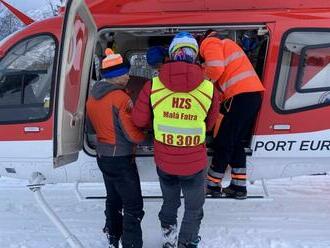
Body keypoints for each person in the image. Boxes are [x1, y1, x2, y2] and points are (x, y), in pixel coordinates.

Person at [132, 32, 219, 248]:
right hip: (194, 162)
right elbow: (209, 124)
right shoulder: (209, 88)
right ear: (195, 55)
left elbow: (139, 119)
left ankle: (168, 239)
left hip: (165, 161)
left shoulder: (153, 85)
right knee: (194, 206)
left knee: (170, 202)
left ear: (172, 54)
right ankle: (187, 243)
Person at [86, 48, 145, 248]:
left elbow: (92, 127)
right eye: (125, 73)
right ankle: (132, 244)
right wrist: (146, 135)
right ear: (116, 76)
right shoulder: (121, 99)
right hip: (121, 157)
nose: (129, 76)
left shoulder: (92, 98)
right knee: (133, 206)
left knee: (113, 199)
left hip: (103, 155)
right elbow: (131, 134)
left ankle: (113, 237)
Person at [199, 30, 265, 199]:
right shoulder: (227, 44)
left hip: (240, 96)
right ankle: (238, 186)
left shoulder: (210, 43)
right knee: (235, 142)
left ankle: (212, 185)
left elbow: (215, 68)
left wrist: (200, 86)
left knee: (224, 141)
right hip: (250, 97)